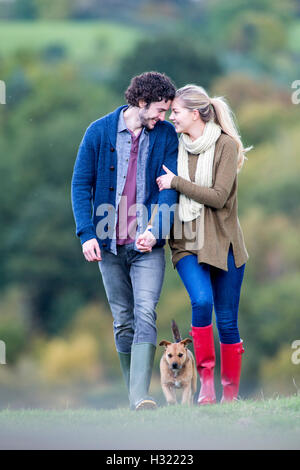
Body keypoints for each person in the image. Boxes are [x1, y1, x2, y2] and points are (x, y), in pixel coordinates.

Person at [71, 72, 178, 410]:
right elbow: (79, 186)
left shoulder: (166, 135)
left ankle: (139, 397)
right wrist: (87, 234)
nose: (163, 116)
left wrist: (154, 230)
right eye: (160, 109)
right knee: (123, 321)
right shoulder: (98, 132)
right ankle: (134, 396)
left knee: (146, 312)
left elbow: (167, 191)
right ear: (141, 101)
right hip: (109, 246)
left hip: (147, 247)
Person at [155, 84, 251, 404]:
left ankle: (231, 395)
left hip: (224, 243)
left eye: (177, 112)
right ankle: (206, 384)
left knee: (227, 321)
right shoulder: (173, 142)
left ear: (195, 114)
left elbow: (218, 197)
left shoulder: (224, 146)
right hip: (186, 242)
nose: (171, 117)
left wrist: (176, 182)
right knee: (201, 301)